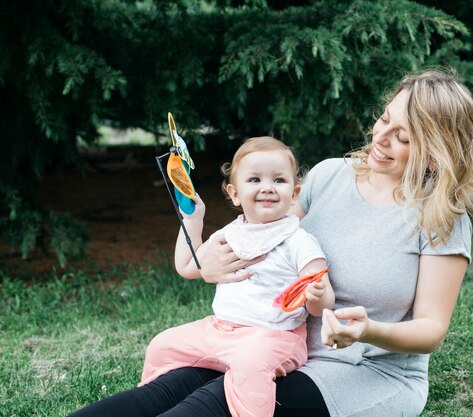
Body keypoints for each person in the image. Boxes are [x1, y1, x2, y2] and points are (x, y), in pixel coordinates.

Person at [67, 68, 473, 417]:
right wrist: (211, 261)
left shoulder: (440, 217)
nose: (382, 138)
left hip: (364, 370)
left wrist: (368, 330)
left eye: (405, 137)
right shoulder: (329, 175)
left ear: (437, 151)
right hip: (271, 342)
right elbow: (265, 234)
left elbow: (431, 330)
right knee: (156, 395)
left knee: (203, 409)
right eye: (385, 120)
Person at [68, 137, 334, 417]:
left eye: (279, 180)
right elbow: (187, 266)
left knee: (250, 366)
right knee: (164, 343)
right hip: (220, 330)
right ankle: (158, 396)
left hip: (274, 337)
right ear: (234, 193)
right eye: (254, 180)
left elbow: (322, 301)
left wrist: (316, 297)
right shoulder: (229, 234)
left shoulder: (299, 241)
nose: (266, 187)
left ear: (295, 193)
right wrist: (193, 222)